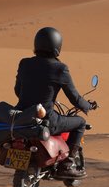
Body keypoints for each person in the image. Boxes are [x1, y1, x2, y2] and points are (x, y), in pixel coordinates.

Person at [14, 26, 97, 179]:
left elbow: (18, 91)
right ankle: (67, 164)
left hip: (22, 117)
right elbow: (75, 98)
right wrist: (88, 106)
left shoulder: (24, 63)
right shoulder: (60, 68)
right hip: (47, 119)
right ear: (57, 46)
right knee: (80, 123)